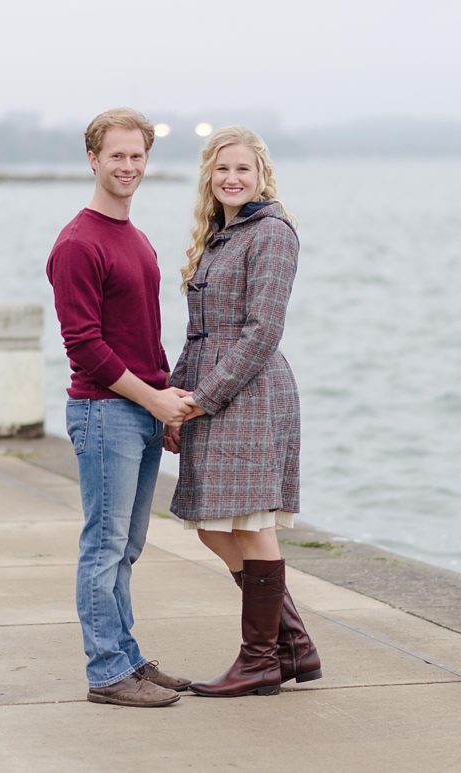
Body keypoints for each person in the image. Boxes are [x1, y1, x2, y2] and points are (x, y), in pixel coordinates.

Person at [165, 126, 322, 697]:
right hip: (211, 395)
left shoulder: (273, 233)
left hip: (251, 395)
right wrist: (174, 403)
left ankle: (261, 661)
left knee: (252, 527)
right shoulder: (220, 236)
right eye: (222, 169)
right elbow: (198, 335)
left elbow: (262, 332)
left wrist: (203, 399)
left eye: (244, 170)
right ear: (209, 175)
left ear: (262, 176)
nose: (232, 178)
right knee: (212, 527)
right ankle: (293, 646)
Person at [45, 108, 192, 708]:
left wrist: (165, 405)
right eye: (116, 156)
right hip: (104, 414)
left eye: (137, 156)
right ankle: (106, 671)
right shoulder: (78, 243)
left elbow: (147, 335)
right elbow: (85, 347)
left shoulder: (135, 238)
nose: (127, 166)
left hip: (139, 412)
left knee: (128, 548)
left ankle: (127, 654)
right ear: (93, 160)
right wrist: (151, 397)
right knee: (103, 547)